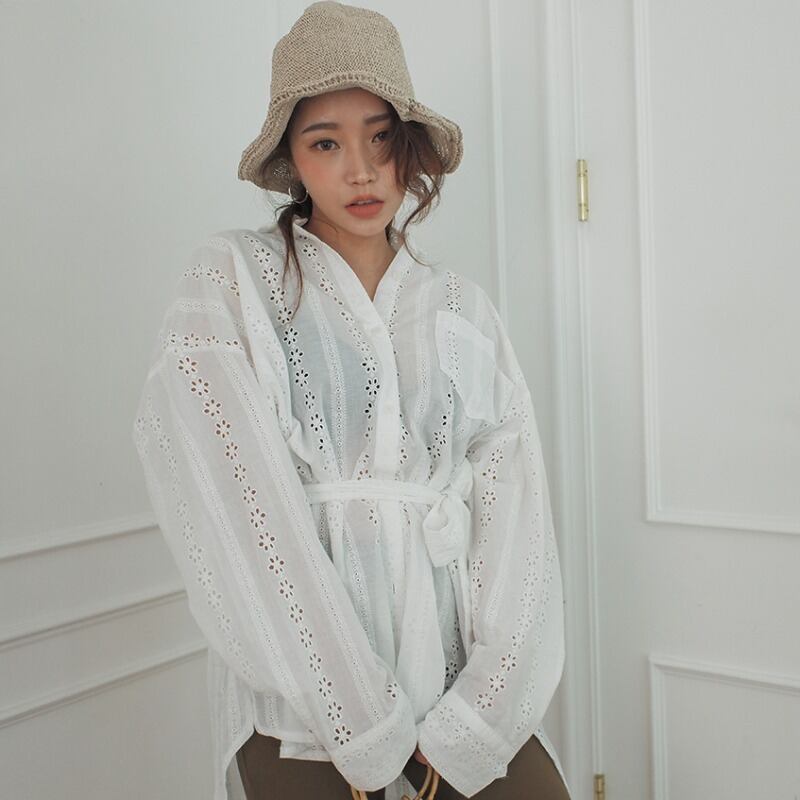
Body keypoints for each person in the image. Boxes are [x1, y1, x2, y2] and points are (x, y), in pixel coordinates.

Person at [131, 2, 571, 800]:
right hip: (301, 699)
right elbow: (242, 513)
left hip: (454, 676)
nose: (361, 171)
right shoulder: (232, 281)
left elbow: (518, 527)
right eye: (325, 142)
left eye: (381, 138)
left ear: (410, 148)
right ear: (292, 160)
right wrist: (362, 721)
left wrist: (479, 716)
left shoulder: (463, 311)